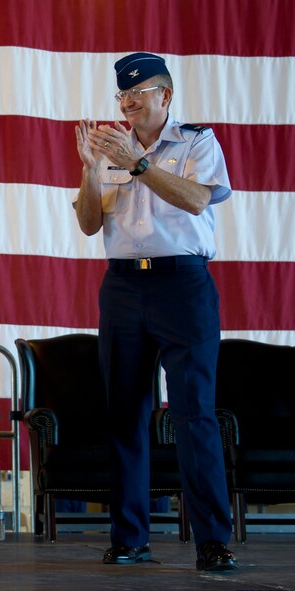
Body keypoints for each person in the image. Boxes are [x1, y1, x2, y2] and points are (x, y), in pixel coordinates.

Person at [74, 53, 237, 572]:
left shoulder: (196, 142)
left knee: (194, 415)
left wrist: (138, 163)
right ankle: (130, 536)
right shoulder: (108, 148)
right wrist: (87, 171)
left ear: (165, 96)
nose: (127, 101)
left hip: (181, 286)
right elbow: (87, 223)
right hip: (122, 287)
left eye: (138, 92)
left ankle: (211, 539)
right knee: (125, 415)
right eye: (122, 94)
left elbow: (195, 200)